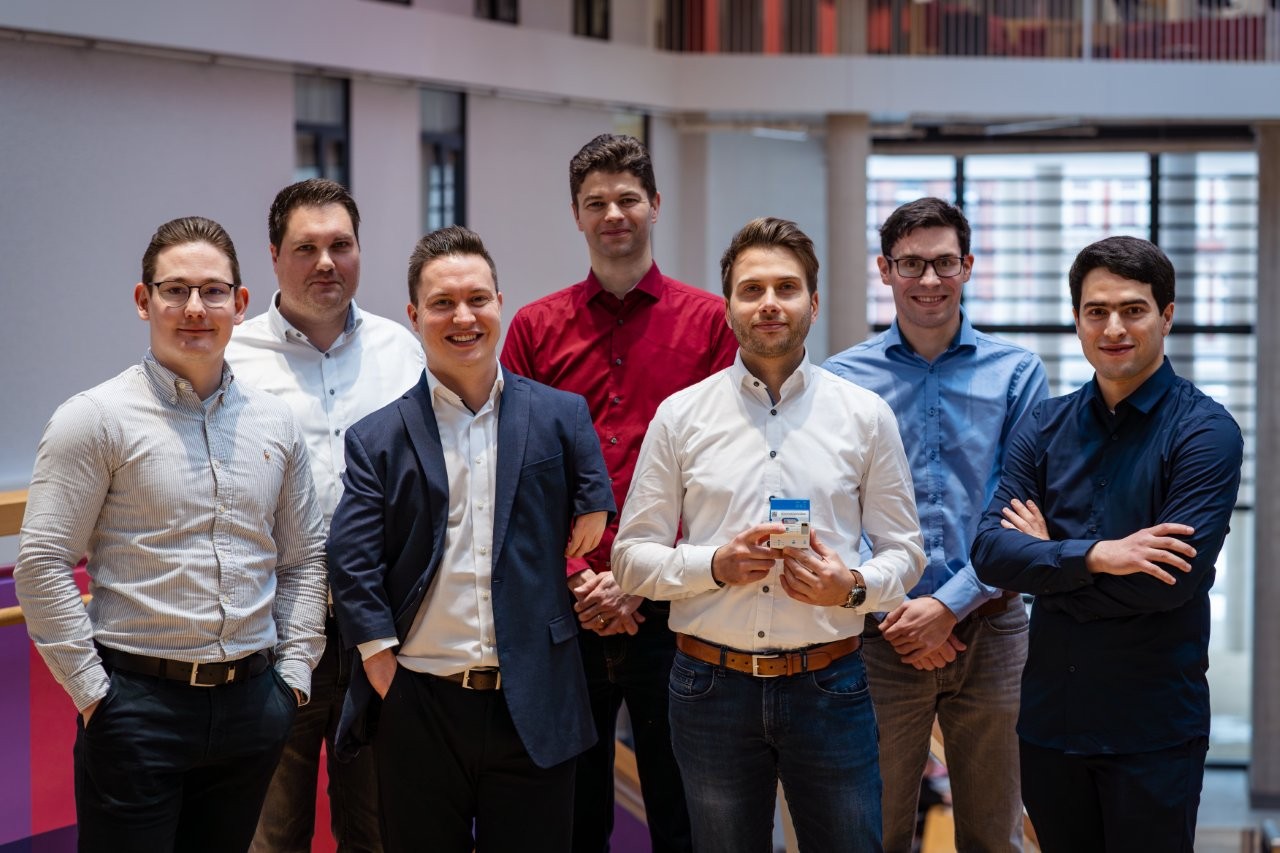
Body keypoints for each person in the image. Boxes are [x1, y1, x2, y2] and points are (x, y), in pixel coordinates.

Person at [15, 216, 328, 853]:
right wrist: (94, 696)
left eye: (213, 291)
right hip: (136, 709)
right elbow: (42, 564)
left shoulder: (274, 423)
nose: (195, 308)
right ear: (143, 300)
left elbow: (304, 559)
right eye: (175, 290)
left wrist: (293, 676)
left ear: (240, 303)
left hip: (252, 706)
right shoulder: (94, 419)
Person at [613, 216, 926, 852]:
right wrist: (713, 566)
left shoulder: (864, 416)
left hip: (830, 684)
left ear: (813, 302)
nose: (769, 304)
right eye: (751, 290)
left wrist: (851, 586)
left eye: (786, 288)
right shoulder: (681, 416)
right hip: (710, 688)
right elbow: (631, 560)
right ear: (728, 306)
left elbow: (905, 553)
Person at [327, 225, 616, 853]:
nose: (463, 317)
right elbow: (351, 563)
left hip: (535, 698)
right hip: (420, 701)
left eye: (477, 299)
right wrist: (381, 665)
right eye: (442, 303)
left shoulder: (560, 415)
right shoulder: (376, 438)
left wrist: (596, 501)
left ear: (500, 304)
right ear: (414, 316)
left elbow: (596, 492)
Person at [501, 133, 736, 853]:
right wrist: (580, 575)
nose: (613, 214)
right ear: (576, 214)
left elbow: (725, 472)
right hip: (563, 612)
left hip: (678, 610)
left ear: (655, 205)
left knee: (684, 814)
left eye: (627, 199)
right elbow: (511, 473)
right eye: (596, 202)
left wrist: (639, 578)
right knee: (570, 820)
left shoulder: (711, 324)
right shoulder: (534, 329)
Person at [971, 235, 1243, 852]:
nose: (1114, 328)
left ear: (1166, 316)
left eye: (1133, 309)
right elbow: (989, 552)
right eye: (1097, 311)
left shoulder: (1205, 433)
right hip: (1051, 723)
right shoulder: (1043, 424)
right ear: (1077, 319)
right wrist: (1099, 556)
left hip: (1152, 731)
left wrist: (1047, 567)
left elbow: (1168, 582)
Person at [823, 197, 1047, 853]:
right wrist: (900, 608)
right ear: (885, 269)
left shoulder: (1017, 374)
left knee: (995, 836)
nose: (929, 279)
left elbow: (1021, 506)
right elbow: (838, 510)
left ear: (967, 266)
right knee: (871, 833)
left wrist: (949, 606)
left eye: (944, 263)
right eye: (912, 264)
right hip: (879, 637)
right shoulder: (842, 379)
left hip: (994, 628)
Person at [226, 178, 423, 853]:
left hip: (384, 632)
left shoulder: (404, 351)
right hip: (273, 634)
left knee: (379, 829)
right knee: (272, 833)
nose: (326, 262)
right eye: (306, 248)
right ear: (274, 256)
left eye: (341, 245)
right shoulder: (231, 357)